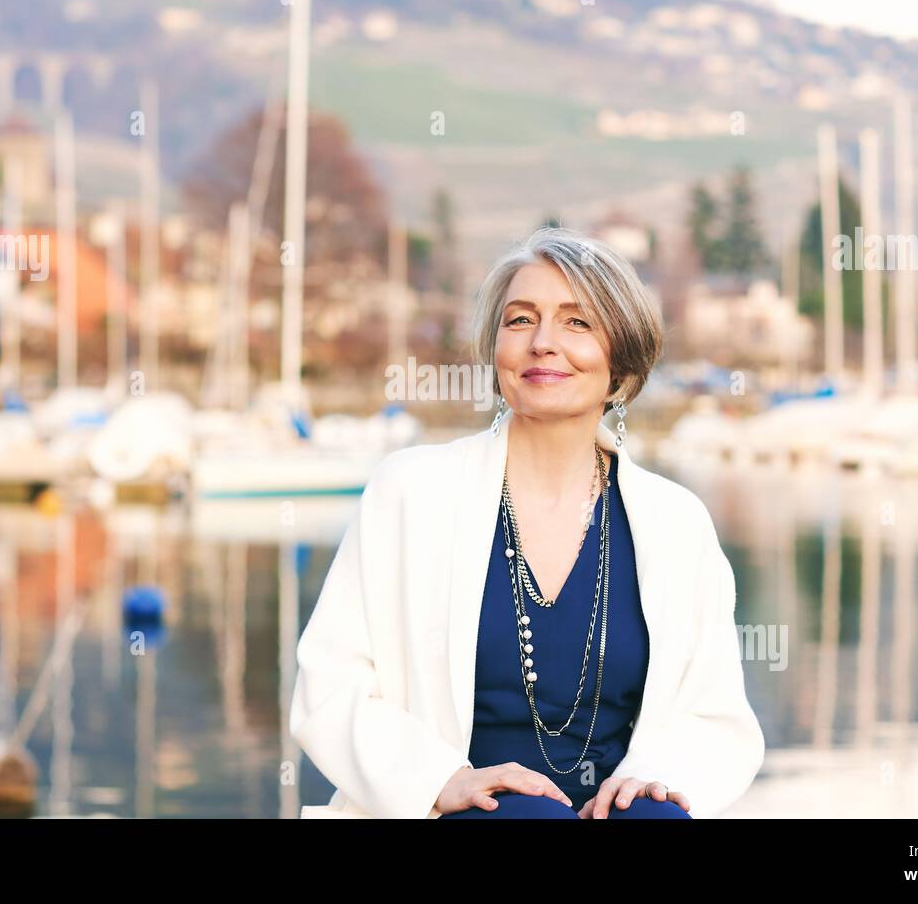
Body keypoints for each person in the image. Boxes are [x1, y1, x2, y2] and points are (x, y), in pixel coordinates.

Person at [291, 226, 765, 819]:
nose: (543, 343)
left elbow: (718, 718)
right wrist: (439, 780)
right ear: (496, 350)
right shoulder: (411, 490)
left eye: (577, 322)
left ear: (622, 356)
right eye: (520, 320)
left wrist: (655, 778)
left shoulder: (676, 523)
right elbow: (331, 684)